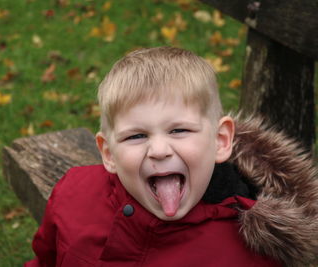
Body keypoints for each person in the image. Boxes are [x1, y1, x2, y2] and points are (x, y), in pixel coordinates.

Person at [25, 47, 318, 266]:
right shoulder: (72, 195)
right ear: (108, 153)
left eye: (178, 130)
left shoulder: (251, 249)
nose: (159, 150)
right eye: (136, 136)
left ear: (220, 141)